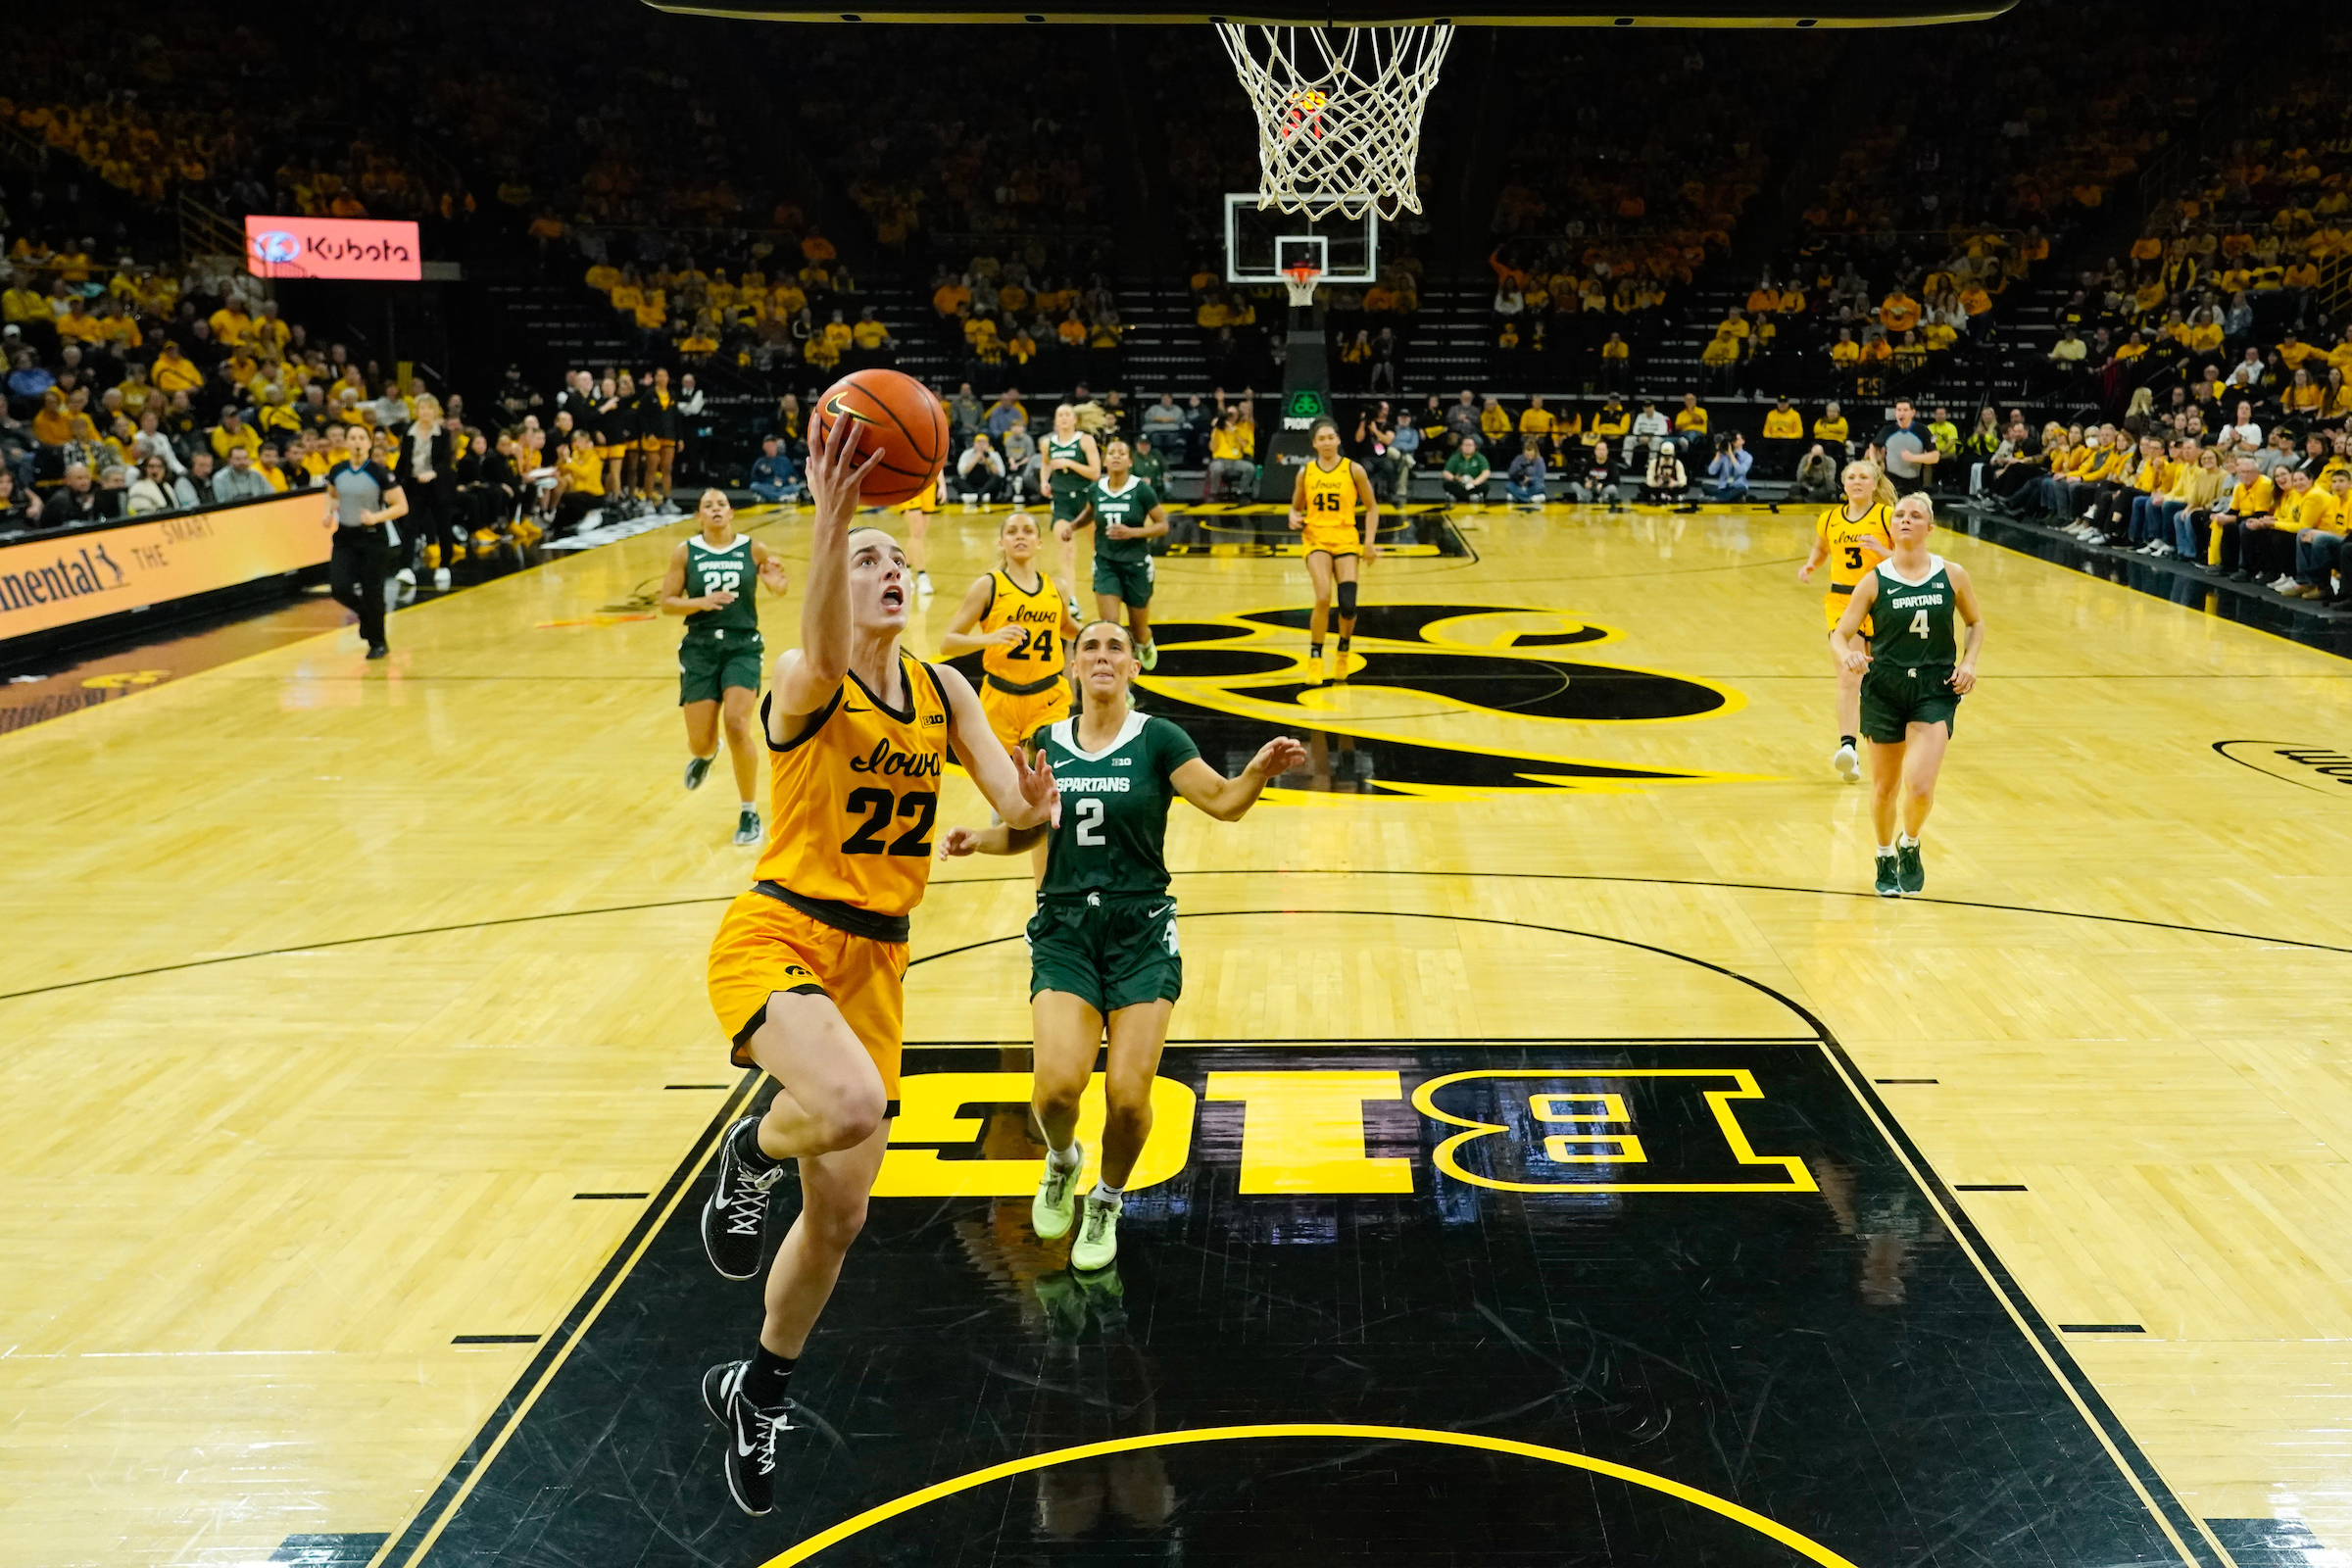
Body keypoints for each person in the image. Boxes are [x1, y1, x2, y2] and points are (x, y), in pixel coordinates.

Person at [694, 414, 1059, 1519]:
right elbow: (808, 627)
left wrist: (1030, 815)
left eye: (899, 560)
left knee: (844, 1218)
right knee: (848, 1105)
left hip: (879, 965)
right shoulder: (806, 680)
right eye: (869, 562)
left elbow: (1010, 811)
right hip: (780, 932)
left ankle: (760, 1385)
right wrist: (832, 516)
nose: (890, 572)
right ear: (835, 587)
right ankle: (751, 1154)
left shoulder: (946, 693)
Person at [939, 619, 1305, 1270]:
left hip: (1140, 931)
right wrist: (978, 839)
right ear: (1074, 668)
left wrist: (1257, 769)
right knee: (1055, 1091)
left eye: (1116, 648)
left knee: (1129, 1098)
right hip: (1066, 930)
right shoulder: (1046, 740)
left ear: (1134, 667)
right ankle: (1061, 1160)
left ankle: (1106, 1199)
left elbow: (1223, 803)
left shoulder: (1159, 739)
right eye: (1091, 648)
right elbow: (1025, 830)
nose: (1103, 656)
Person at [1831, 492, 1984, 898]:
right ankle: (1883, 853)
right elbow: (1840, 633)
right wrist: (1846, 656)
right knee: (1885, 787)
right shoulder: (1875, 579)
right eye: (1899, 514)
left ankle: (1910, 843)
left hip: (1933, 689)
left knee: (1920, 787)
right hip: (1884, 689)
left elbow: (1976, 623)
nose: (1904, 520)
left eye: (1915, 516)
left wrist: (1969, 662)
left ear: (1929, 528)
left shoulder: (1952, 574)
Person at [661, 489, 793, 845]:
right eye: (708, 506)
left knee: (737, 724)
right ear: (699, 516)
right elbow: (667, 603)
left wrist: (777, 584)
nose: (716, 510)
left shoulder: (753, 548)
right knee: (699, 743)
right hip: (700, 649)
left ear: (731, 512)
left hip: (742, 646)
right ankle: (707, 754)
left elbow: (778, 586)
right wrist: (702, 602)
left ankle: (749, 812)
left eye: (721, 504)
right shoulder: (686, 552)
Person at [1799, 462, 1895, 783]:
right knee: (1848, 674)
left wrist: (1882, 549)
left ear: (1874, 483)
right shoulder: (1829, 519)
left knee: (1882, 679)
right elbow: (1820, 547)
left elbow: (1908, 555)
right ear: (1843, 484)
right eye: (1851, 477)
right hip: (1843, 602)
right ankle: (1848, 750)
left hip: (1882, 601)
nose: (1857, 482)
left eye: (1863, 477)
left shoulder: (1885, 515)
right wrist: (1812, 564)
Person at [1288, 417, 1382, 683]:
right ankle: (1315, 659)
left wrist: (1369, 543)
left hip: (1346, 540)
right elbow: (1296, 507)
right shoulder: (1306, 472)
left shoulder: (1354, 470)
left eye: (1331, 437)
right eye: (1322, 439)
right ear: (1314, 444)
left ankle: (1343, 651)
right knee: (1322, 598)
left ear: (1339, 439)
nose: (1327, 442)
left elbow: (1372, 507)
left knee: (1348, 605)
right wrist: (1293, 516)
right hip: (1316, 539)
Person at [1072, 438, 1170, 669]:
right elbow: (1089, 512)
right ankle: (1119, 683)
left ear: (1129, 461)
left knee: (1138, 629)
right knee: (1110, 627)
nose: (1115, 456)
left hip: (1136, 564)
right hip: (1106, 563)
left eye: (1121, 453)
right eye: (1111, 453)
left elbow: (1163, 525)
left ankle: (1145, 643)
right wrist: (1072, 527)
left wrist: (1133, 532)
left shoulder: (1141, 490)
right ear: (1105, 461)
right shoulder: (1096, 488)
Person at [321, 425, 407, 661]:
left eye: (361, 438)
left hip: (373, 538)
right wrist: (327, 513)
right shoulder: (337, 470)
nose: (357, 442)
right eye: (352, 438)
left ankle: (378, 642)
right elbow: (332, 494)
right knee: (339, 588)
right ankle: (365, 616)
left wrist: (376, 517)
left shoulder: (379, 472)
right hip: (345, 537)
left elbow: (401, 506)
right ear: (346, 443)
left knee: (373, 592)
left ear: (369, 444)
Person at [1045, 403, 1104, 603]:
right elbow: (1046, 464)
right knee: (1067, 551)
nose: (1063, 417)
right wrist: (1044, 482)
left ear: (1074, 420)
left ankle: (1105, 585)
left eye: (1067, 414)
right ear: (1055, 421)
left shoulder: (1085, 441)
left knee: (1100, 547)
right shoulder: (1048, 443)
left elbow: (1095, 473)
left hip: (1085, 501)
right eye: (1059, 414)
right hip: (1062, 502)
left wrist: (1069, 463)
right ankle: (1071, 600)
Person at [1877, 399, 1938, 497]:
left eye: (1905, 410)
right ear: (1895, 412)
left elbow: (1935, 457)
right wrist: (1875, 463)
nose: (1902, 413)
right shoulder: (1887, 430)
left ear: (1912, 412)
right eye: (1899, 410)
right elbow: (1873, 446)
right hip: (1890, 480)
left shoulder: (1922, 430)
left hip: (1913, 480)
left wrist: (1914, 458)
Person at [955, 431, 1009, 504]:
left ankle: (978, 495)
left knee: (997, 479)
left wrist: (988, 462)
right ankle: (976, 495)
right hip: (971, 482)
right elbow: (962, 472)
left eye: (983, 443)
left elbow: (1001, 474)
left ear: (988, 445)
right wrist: (976, 459)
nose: (981, 445)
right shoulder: (966, 454)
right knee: (956, 480)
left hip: (987, 483)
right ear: (974, 444)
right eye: (978, 443)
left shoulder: (994, 454)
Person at [749, 435, 804, 505]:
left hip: (784, 487)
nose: (770, 448)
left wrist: (792, 479)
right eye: (768, 446)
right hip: (769, 487)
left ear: (776, 446)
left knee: (797, 487)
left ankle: (773, 497)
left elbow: (793, 475)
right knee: (754, 486)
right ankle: (780, 497)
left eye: (772, 445)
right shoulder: (760, 462)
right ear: (764, 447)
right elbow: (754, 479)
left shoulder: (784, 460)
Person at [1442, 435, 1491, 506]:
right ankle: (1469, 496)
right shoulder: (1455, 457)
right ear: (1461, 446)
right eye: (1465, 445)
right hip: (1460, 483)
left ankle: (1463, 496)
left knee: (1485, 485)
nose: (1468, 447)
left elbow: (1486, 472)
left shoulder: (1480, 458)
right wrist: (1457, 478)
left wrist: (1474, 482)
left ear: (1475, 447)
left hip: (1474, 483)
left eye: (1470, 445)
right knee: (1447, 484)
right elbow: (1446, 472)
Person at [1705, 433, 1752, 502]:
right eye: (1733, 440)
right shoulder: (1723, 455)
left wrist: (1731, 454)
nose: (1734, 442)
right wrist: (1718, 452)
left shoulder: (1747, 456)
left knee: (1742, 489)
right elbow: (1711, 471)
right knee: (1705, 486)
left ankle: (1718, 498)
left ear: (1743, 441)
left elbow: (1741, 471)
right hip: (1723, 487)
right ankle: (1725, 498)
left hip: (1738, 486)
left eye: (1737, 439)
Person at [1504, 439, 1548, 508]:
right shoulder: (1518, 459)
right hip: (1519, 484)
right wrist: (1518, 473)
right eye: (1527, 455)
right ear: (1524, 452)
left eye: (1531, 455)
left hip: (1532, 485)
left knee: (1541, 487)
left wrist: (1529, 479)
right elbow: (1510, 472)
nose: (1529, 457)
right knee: (1509, 486)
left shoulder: (1539, 461)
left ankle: (1519, 497)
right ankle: (1529, 498)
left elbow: (1540, 478)